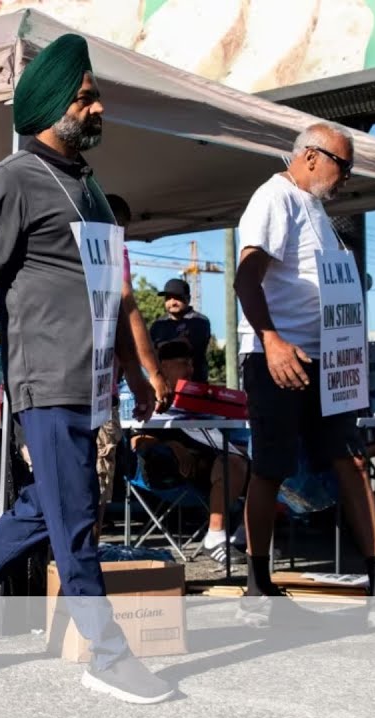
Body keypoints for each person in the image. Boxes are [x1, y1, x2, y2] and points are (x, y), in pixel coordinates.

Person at [0, 34, 175, 705]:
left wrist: (134, 373)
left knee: (42, 507)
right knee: (75, 516)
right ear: (54, 105)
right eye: (85, 98)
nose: (97, 107)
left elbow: (113, 292)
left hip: (92, 382)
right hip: (46, 379)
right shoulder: (14, 179)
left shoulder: (90, 189)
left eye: (95, 96)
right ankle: (107, 653)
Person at [233, 121, 375, 628]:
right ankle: (257, 587)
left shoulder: (315, 209)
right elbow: (245, 276)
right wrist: (272, 340)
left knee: (350, 459)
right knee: (271, 468)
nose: (346, 176)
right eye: (342, 165)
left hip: (327, 363)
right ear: (310, 156)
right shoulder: (275, 198)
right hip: (279, 358)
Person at [129, 340, 248, 564]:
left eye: (191, 364)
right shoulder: (144, 397)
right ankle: (218, 537)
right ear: (163, 366)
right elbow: (136, 441)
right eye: (184, 363)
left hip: (209, 466)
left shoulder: (200, 399)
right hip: (165, 473)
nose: (190, 370)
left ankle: (235, 535)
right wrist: (170, 446)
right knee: (231, 464)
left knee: (246, 460)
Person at [98, 194, 169, 529]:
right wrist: (150, 374)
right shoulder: (109, 248)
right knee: (93, 492)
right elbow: (124, 303)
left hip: (51, 391)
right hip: (97, 392)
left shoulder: (54, 247)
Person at [149, 278, 212, 382]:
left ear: (188, 299)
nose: (172, 302)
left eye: (177, 298)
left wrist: (162, 347)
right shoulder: (158, 324)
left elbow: (184, 347)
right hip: (165, 384)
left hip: (193, 384)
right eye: (168, 298)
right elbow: (150, 352)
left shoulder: (199, 321)